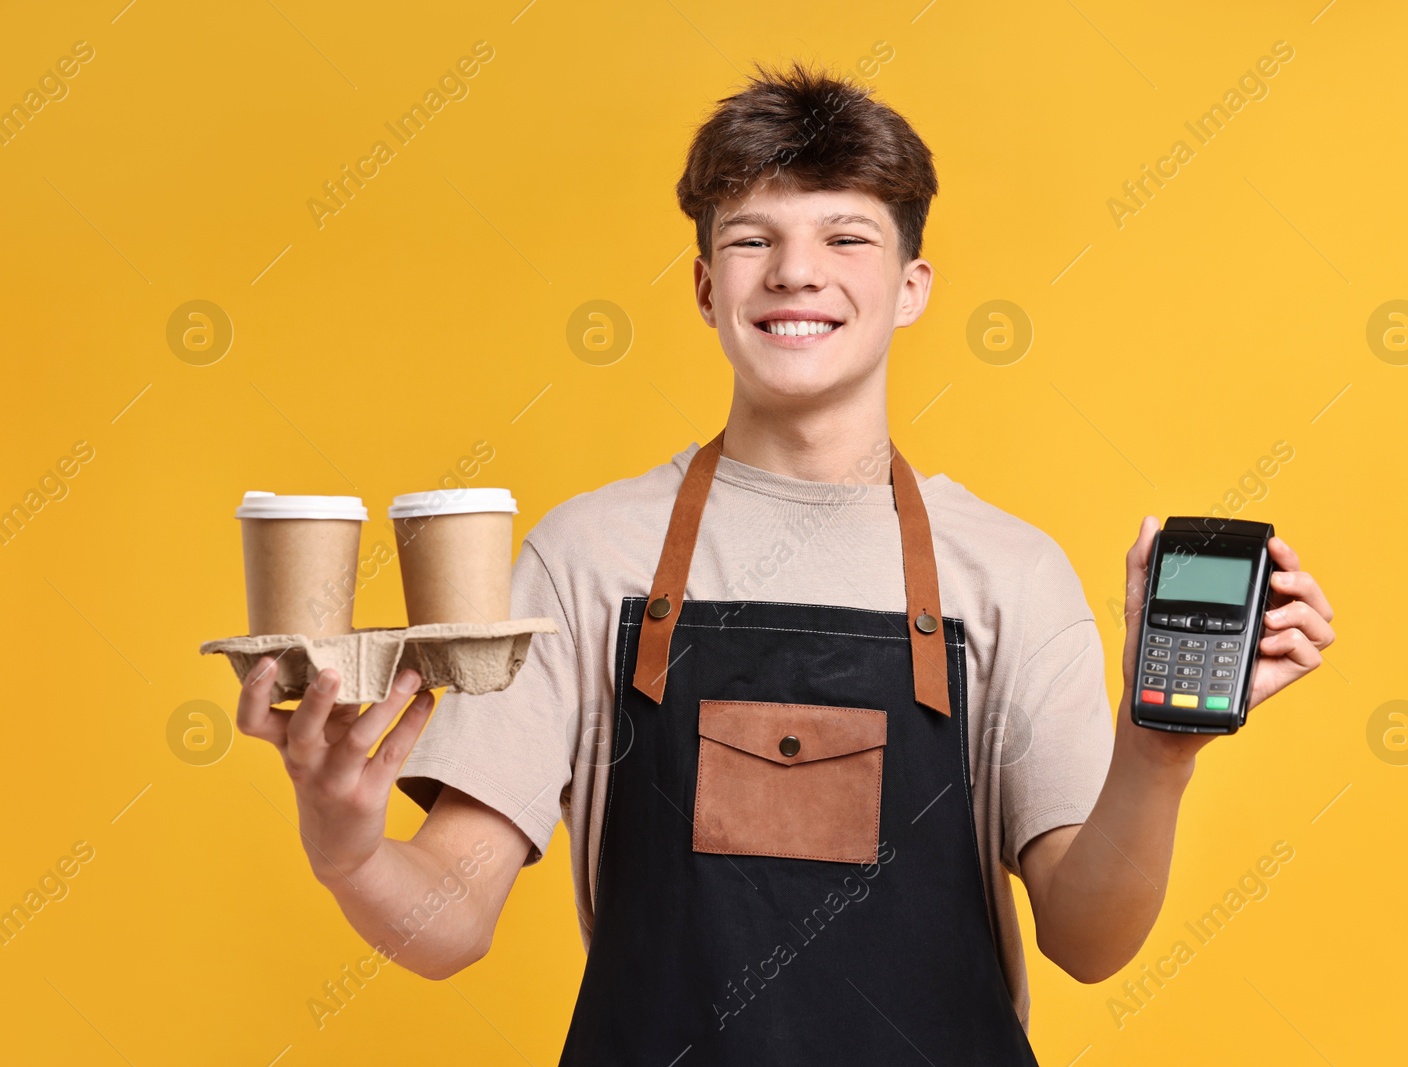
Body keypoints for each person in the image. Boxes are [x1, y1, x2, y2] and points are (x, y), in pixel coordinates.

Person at [235, 60, 1335, 1063]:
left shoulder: (1008, 571)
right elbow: (447, 923)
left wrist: (1158, 756)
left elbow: (1088, 938)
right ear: (707, 286)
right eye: (752, 239)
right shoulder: (585, 554)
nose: (795, 273)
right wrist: (346, 845)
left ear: (912, 285)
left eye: (846, 237)